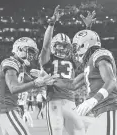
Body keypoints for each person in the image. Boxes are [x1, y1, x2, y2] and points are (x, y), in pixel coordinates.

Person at [0, 37, 55, 135]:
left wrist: (43, 78)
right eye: (29, 51)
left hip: (8, 109)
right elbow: (13, 88)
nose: (31, 55)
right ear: (20, 49)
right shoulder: (10, 63)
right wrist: (36, 82)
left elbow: (33, 83)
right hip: (6, 110)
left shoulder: (19, 66)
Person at [39, 5, 85, 135]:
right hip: (54, 100)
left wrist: (88, 30)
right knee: (57, 130)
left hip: (70, 101)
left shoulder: (73, 60)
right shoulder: (48, 59)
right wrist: (51, 24)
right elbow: (45, 46)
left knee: (80, 130)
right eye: (59, 46)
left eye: (65, 46)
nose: (62, 49)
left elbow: (84, 48)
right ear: (54, 46)